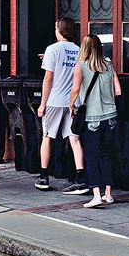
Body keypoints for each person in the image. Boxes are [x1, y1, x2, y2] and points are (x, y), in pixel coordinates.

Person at [69, 34, 123, 208]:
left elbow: (76, 89)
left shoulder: (81, 66)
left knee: (92, 157)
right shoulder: (108, 64)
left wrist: (71, 106)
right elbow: (118, 91)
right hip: (111, 116)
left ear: (84, 48)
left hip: (93, 117)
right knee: (107, 154)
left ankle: (96, 195)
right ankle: (108, 194)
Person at [36, 17, 88, 194]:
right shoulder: (79, 50)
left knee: (48, 136)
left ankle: (43, 177)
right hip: (74, 101)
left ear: (60, 30)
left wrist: (42, 104)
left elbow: (48, 78)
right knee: (74, 138)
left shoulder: (52, 49)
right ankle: (80, 177)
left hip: (55, 100)